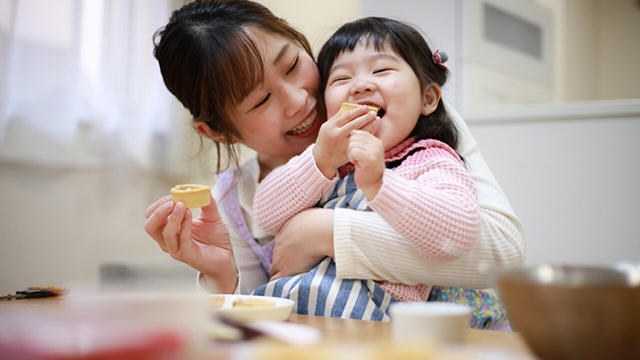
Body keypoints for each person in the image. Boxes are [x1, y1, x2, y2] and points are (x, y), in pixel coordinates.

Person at [144, 0, 524, 324]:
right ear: (218, 132)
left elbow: (501, 254)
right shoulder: (233, 203)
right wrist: (219, 276)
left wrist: (324, 231)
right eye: (261, 101)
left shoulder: (410, 123)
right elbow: (256, 318)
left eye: (292, 64)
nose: (298, 100)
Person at [253, 16, 480, 307]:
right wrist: (320, 159)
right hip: (292, 313)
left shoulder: (429, 159)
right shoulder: (327, 162)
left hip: (373, 323)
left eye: (381, 70)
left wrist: (380, 183)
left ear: (428, 98)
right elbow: (265, 213)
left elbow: (460, 233)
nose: (359, 86)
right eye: (341, 79)